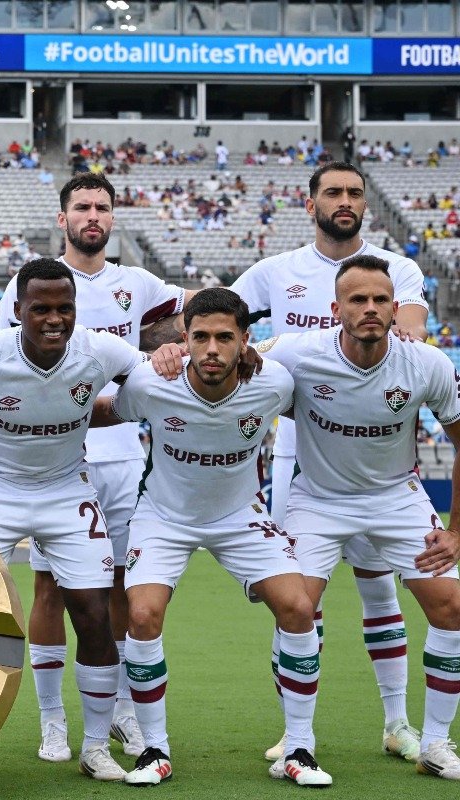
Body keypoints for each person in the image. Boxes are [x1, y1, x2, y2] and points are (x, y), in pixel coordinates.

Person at [0, 258, 182, 782]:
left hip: (67, 490)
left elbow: (156, 375)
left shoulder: (100, 350)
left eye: (65, 308)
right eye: (41, 309)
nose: (54, 319)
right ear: (17, 310)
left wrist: (172, 355)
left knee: (93, 613)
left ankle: (95, 747)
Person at [0, 173, 192, 763]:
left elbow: (193, 319)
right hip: (57, 457)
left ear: (113, 218)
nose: (93, 216)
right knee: (49, 587)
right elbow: (4, 361)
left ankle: (124, 711)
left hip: (123, 454)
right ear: (63, 218)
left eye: (102, 207)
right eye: (82, 207)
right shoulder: (35, 282)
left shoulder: (139, 284)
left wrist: (173, 347)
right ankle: (52, 720)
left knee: (123, 587)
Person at [231, 162, 429, 761]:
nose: (345, 201)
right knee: (298, 601)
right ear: (310, 202)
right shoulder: (276, 271)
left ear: (366, 204)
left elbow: (412, 335)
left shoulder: (397, 269)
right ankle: (293, 730)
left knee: (379, 589)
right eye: (333, 192)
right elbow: (223, 323)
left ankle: (397, 723)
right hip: (300, 453)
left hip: (375, 452)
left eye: (355, 193)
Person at [92, 288, 327, 787]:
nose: (212, 349)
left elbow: (322, 410)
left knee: (299, 607)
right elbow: (107, 411)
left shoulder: (274, 382)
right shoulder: (152, 382)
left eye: (225, 337)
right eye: (200, 337)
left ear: (246, 339)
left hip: (240, 515)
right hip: (164, 516)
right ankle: (154, 749)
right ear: (185, 337)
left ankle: (300, 747)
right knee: (141, 615)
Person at [259, 255, 460, 783]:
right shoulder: (298, 352)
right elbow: (231, 361)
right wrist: (169, 352)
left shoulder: (427, 363)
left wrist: (457, 530)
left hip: (397, 499)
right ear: (335, 309)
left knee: (452, 606)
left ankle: (435, 744)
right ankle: (298, 744)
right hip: (318, 500)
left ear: (395, 308)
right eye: (358, 299)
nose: (370, 308)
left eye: (380, 300)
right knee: (296, 608)